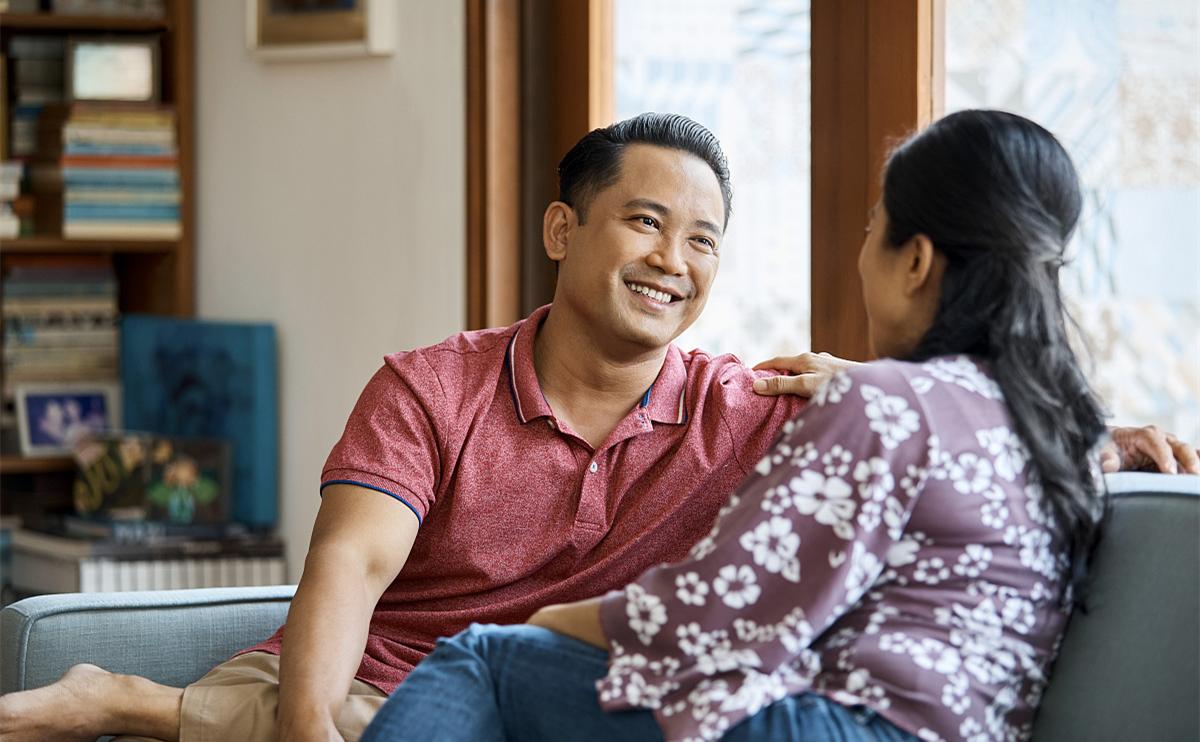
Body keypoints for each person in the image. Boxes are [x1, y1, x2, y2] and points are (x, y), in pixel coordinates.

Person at [0, 114, 1192, 742]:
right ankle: (163, 705)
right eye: (645, 223)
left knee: (493, 681)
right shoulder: (432, 386)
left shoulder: (750, 404)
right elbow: (346, 573)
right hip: (393, 681)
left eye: (705, 239)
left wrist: (1099, 435)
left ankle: (137, 705)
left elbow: (921, 443)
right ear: (563, 231)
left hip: (544, 692)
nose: (675, 260)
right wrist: (308, 729)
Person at [357, 110, 1191, 742]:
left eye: (871, 234)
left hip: (836, 730)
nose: (671, 259)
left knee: (481, 661)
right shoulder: (1051, 430)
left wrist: (543, 624)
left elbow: (721, 618)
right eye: (645, 222)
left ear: (916, 260)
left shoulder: (893, 407)